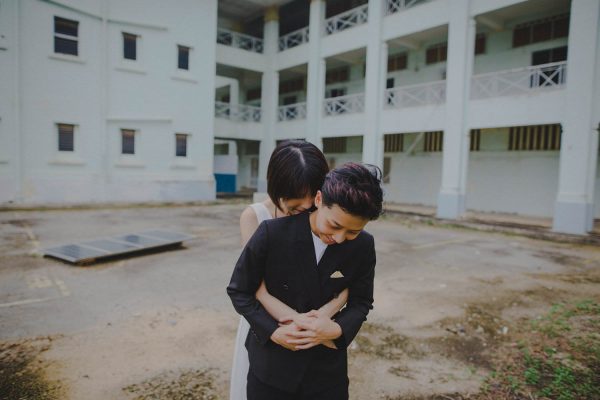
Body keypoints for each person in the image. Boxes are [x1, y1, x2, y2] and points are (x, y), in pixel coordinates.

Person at [227, 162, 384, 400]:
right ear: (319, 200)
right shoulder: (271, 233)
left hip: (327, 373)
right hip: (270, 368)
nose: (340, 238)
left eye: (353, 232)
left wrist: (336, 329)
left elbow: (361, 301)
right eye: (335, 225)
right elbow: (239, 291)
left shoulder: (363, 246)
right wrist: (273, 332)